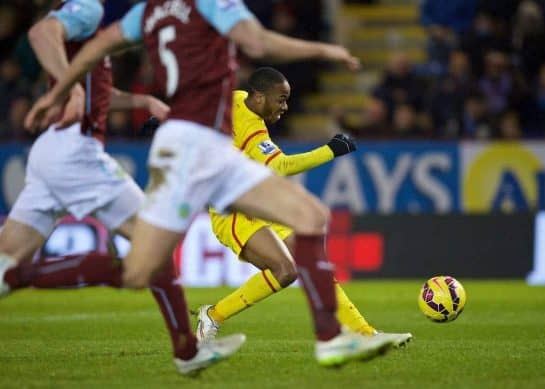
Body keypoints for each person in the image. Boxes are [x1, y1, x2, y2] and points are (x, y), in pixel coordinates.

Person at [18, 0, 403, 369]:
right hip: (198, 159)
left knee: (309, 218)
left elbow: (98, 49)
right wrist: (323, 51)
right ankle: (17, 274)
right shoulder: (210, 5)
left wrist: (59, 91)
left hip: (203, 151)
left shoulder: (148, 12)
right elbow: (258, 43)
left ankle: (336, 336)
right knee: (140, 271)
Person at [0, 0, 243, 376]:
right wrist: (72, 92)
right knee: (156, 243)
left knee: (4, 260)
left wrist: (141, 100)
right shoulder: (88, 8)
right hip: (76, 153)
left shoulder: (90, 24)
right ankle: (186, 350)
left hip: (52, 151)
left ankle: (186, 351)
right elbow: (40, 32)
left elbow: (96, 92)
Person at [194, 67, 412, 347]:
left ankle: (365, 334)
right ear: (258, 98)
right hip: (232, 213)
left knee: (315, 265)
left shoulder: (237, 99)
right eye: (280, 99)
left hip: (258, 204)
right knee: (285, 271)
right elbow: (280, 165)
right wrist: (331, 150)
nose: (285, 107)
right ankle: (213, 315)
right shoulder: (254, 132)